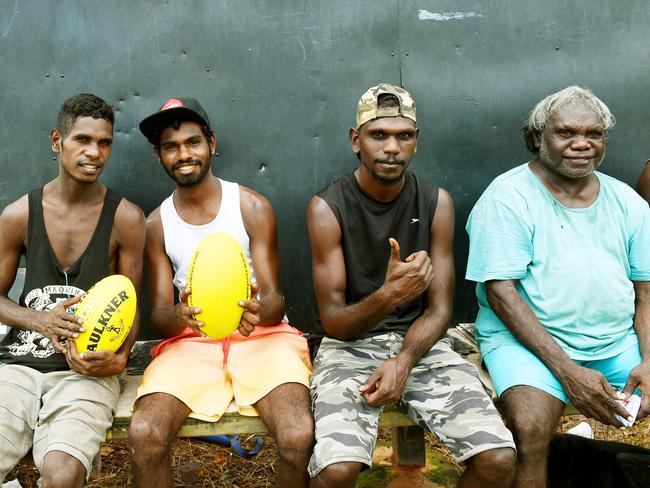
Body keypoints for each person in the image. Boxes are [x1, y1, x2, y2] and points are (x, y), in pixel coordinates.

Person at [306, 83, 516, 487]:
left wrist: (403, 361)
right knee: (336, 471)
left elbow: (440, 310)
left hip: (421, 345)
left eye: (403, 136)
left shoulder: (436, 202)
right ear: (356, 140)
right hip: (350, 348)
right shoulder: (327, 207)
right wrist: (389, 296)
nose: (391, 148)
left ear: (416, 141)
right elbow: (333, 323)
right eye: (378, 135)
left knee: (498, 459)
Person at [465, 85, 650, 487]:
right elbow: (501, 293)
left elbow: (646, 293)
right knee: (530, 429)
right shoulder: (507, 198)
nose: (582, 144)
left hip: (616, 342)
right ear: (537, 138)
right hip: (528, 344)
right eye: (566, 132)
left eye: (594, 134)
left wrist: (648, 360)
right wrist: (567, 372)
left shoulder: (628, 203)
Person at [129, 98, 314, 488]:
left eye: (193, 142)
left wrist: (258, 311)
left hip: (261, 337)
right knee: (145, 433)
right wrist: (178, 317)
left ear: (212, 143)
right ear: (158, 155)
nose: (184, 154)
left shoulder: (250, 206)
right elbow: (159, 314)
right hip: (192, 343)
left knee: (298, 435)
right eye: (171, 146)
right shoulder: (155, 225)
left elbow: (277, 299)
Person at [0, 93, 145, 487]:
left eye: (104, 142)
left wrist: (120, 358)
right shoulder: (18, 215)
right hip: (17, 367)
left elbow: (133, 304)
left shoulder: (126, 219)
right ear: (56, 141)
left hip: (85, 372)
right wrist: (40, 320)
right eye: (83, 139)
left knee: (62, 476)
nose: (94, 152)